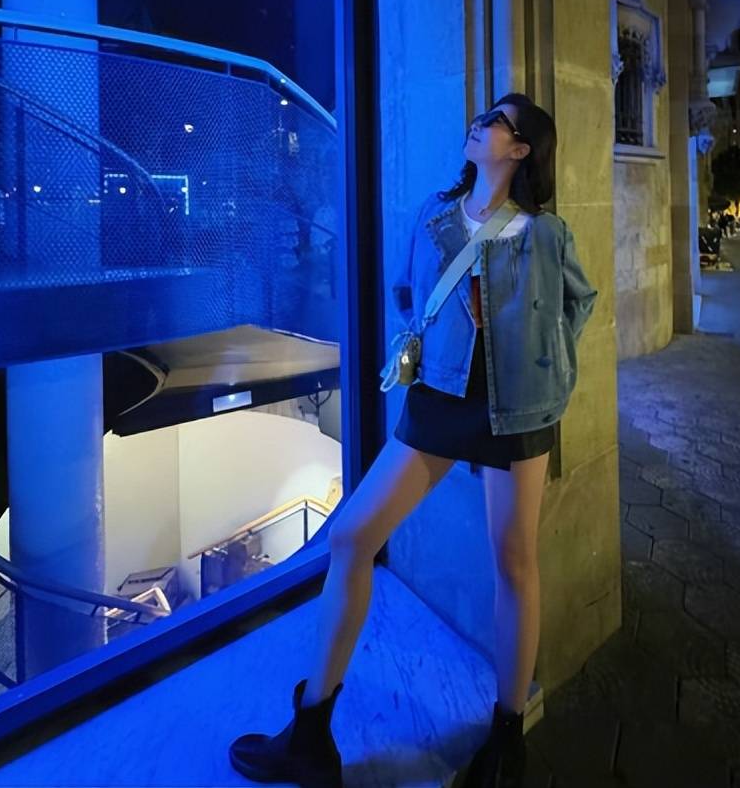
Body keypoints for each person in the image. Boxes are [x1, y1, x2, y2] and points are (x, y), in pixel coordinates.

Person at [228, 94, 598, 787]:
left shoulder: (547, 235)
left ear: (520, 150)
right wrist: (448, 340)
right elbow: (406, 291)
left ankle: (507, 738)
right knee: (352, 536)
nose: (479, 124)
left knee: (514, 562)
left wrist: (545, 361)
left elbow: (580, 303)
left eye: (497, 121)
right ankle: (311, 732)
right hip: (439, 397)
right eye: (484, 116)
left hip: (519, 409)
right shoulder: (435, 214)